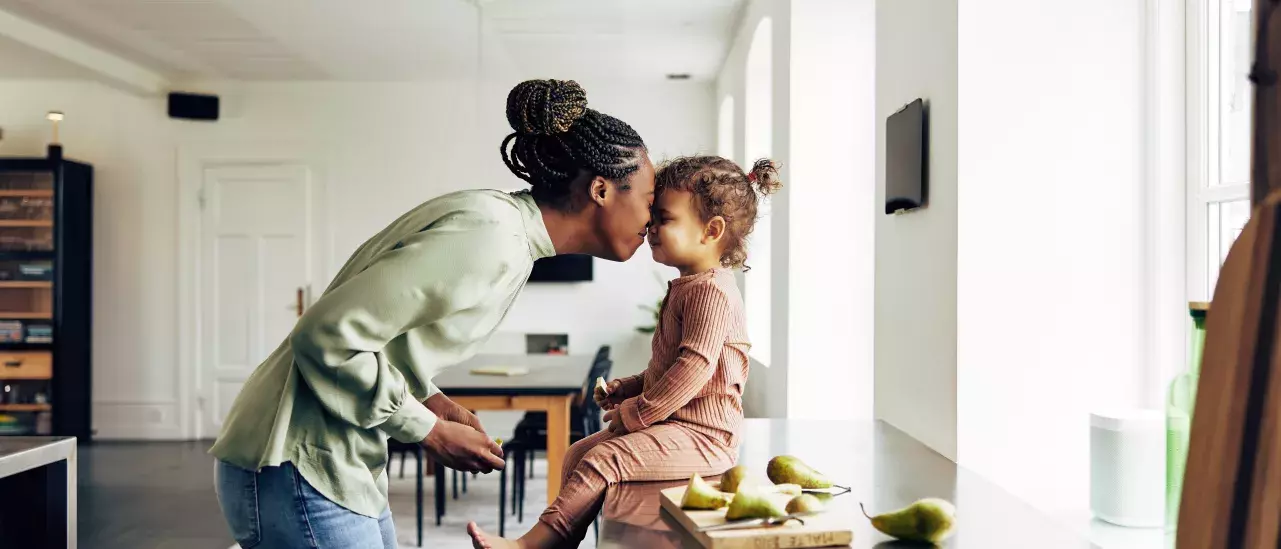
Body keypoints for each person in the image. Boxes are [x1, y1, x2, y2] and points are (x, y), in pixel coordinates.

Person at [208, 79, 657, 549]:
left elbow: (381, 337)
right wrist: (428, 431)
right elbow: (326, 336)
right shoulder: (490, 238)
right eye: (648, 200)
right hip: (297, 461)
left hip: (333, 462)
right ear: (601, 190)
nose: (651, 219)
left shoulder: (507, 234)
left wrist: (430, 399)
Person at [468, 156, 783, 549]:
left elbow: (694, 368)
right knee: (579, 452)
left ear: (711, 231)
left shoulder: (711, 292)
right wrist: (629, 388)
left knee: (604, 460)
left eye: (664, 219)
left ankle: (529, 546)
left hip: (705, 437)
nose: (649, 228)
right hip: (679, 427)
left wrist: (639, 412)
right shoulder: (690, 286)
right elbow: (668, 368)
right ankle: (561, 541)